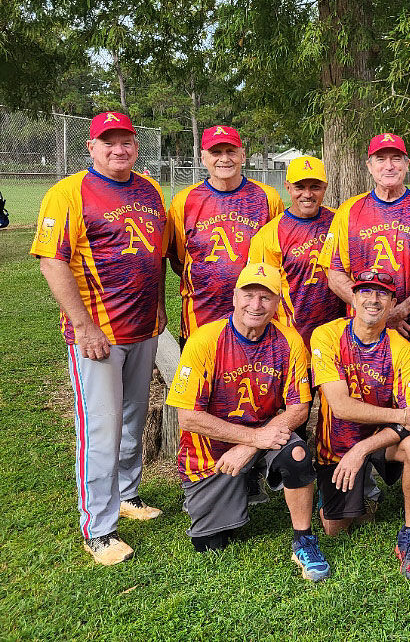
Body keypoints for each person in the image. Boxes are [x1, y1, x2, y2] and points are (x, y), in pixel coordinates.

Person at [32, 111, 168, 565]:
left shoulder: (149, 190)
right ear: (91, 147)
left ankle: (127, 494)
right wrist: (83, 325)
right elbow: (52, 261)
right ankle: (99, 529)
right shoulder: (69, 192)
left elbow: (155, 256)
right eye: (108, 142)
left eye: (125, 141)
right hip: (99, 334)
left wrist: (159, 305)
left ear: (136, 146)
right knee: (101, 430)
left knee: (132, 419)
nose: (118, 149)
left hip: (143, 328)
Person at [165, 262, 330, 582]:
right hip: (212, 451)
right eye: (249, 295)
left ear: (278, 302)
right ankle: (242, 485)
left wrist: (252, 444)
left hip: (265, 435)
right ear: (234, 297)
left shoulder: (289, 341)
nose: (256, 305)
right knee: (209, 544)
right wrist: (251, 440)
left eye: (266, 297)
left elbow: (299, 408)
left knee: (296, 453)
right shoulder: (205, 340)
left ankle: (304, 540)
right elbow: (188, 416)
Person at [311, 270, 410, 581]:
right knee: (334, 529)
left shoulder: (400, 347)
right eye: (365, 292)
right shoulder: (326, 336)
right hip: (337, 443)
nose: (373, 300)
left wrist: (363, 448)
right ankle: (348, 496)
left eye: (382, 294)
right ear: (352, 298)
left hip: (380, 441)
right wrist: (400, 416)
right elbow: (341, 407)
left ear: (392, 303)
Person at [321, 132, 410, 379]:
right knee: (360, 400)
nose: (389, 166)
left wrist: (400, 311)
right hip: (361, 337)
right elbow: (334, 274)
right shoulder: (349, 211)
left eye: (396, 159)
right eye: (381, 159)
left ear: (407, 164)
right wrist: (374, 313)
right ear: (369, 166)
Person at [167, 125, 284, 343]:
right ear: (203, 158)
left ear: (243, 155)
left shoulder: (268, 198)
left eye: (231, 151)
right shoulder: (184, 201)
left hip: (257, 322)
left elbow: (278, 256)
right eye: (216, 152)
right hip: (200, 321)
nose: (224, 159)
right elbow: (178, 260)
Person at [248, 156, 344, 346]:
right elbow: (259, 292)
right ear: (288, 187)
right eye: (300, 187)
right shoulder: (269, 235)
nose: (307, 194)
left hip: (340, 335)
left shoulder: (340, 221)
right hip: (293, 339)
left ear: (325, 187)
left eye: (315, 187)